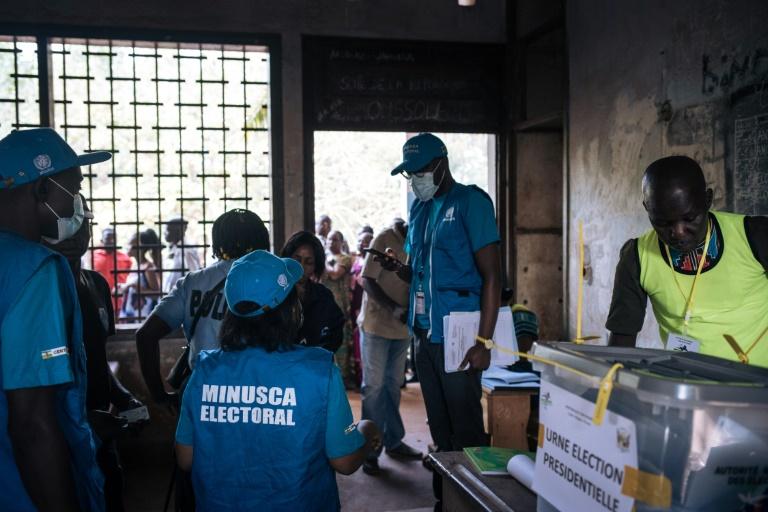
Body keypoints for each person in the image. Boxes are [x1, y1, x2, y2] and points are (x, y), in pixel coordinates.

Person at [174, 250, 382, 510]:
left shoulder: (205, 370)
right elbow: (344, 460)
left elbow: (185, 458)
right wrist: (367, 428)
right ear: (290, 309)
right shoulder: (319, 370)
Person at [383, 133, 501, 510]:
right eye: (409, 173)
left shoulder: (471, 203)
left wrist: (483, 343)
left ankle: (473, 502)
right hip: (423, 335)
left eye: (419, 170)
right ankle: (447, 500)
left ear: (440, 165)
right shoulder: (420, 208)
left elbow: (493, 277)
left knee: (465, 425)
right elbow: (423, 274)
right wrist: (400, 270)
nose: (415, 178)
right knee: (440, 425)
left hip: (459, 334)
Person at [0, 127, 106, 511]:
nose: (76, 202)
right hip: (19, 488)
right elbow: (32, 424)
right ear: (42, 190)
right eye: (73, 188)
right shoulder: (34, 269)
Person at [607, 156, 768, 367]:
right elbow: (622, 342)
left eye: (690, 218)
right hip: (687, 386)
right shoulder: (636, 257)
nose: (678, 233)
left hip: (758, 387)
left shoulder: (755, 236)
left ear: (708, 200)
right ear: (647, 209)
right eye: (662, 222)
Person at [44, 196, 146, 512]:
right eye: (64, 222)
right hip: (55, 441)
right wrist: (82, 422)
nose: (73, 232)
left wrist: (125, 397)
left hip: (101, 436)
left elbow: (96, 361)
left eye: (81, 221)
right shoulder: (38, 291)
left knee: (111, 494)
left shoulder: (96, 285)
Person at [137, 209, 271, 405]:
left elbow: (145, 335)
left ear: (217, 242)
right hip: (254, 393)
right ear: (261, 242)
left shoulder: (193, 282)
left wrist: (159, 396)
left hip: (201, 392)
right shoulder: (272, 283)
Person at [359, 219, 422, 475]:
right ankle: (369, 450)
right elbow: (367, 280)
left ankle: (394, 441)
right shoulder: (384, 238)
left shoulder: (421, 240)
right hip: (377, 325)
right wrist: (392, 307)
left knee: (393, 387)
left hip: (403, 327)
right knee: (373, 388)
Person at [280, 230, 345, 352]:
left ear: (315, 267)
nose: (301, 267)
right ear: (287, 259)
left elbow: (335, 333)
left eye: (308, 262)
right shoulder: (273, 295)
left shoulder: (323, 296)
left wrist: (318, 356)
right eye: (297, 260)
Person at [322, 230, 356, 387]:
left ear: (341, 242)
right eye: (329, 239)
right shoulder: (325, 258)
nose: (330, 242)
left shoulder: (345, 259)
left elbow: (335, 274)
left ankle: (342, 378)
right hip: (325, 305)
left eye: (334, 240)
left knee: (341, 342)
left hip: (340, 305)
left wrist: (321, 264)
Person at [120, 228, 162, 320]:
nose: (127, 246)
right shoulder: (136, 266)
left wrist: (132, 285)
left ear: (141, 246)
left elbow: (156, 294)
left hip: (144, 316)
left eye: (130, 244)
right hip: (132, 313)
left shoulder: (148, 268)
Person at [92, 227, 132, 313]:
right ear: (102, 241)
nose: (111, 241)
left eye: (114, 238)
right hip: (99, 301)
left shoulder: (126, 259)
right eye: (108, 238)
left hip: (120, 302)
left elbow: (129, 278)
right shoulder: (93, 257)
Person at [163, 217, 202, 294]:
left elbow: (193, 276)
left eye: (168, 230)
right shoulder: (173, 248)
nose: (165, 233)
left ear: (177, 232)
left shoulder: (187, 251)